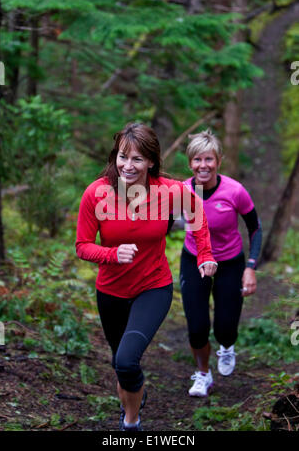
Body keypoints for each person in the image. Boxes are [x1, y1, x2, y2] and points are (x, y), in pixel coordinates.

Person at [75, 123, 217, 431]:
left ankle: (131, 423)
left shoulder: (170, 191)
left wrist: (205, 255)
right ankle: (135, 399)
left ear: (151, 161)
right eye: (123, 157)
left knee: (126, 362)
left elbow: (198, 216)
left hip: (153, 287)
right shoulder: (96, 193)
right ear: (115, 157)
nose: (128, 165)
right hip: (110, 291)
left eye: (137, 159)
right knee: (120, 365)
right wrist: (112, 254)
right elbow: (82, 246)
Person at [179, 129, 262, 397]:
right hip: (194, 259)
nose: (203, 166)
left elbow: (255, 228)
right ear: (190, 162)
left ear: (219, 161)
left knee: (225, 328)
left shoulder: (235, 191)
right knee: (197, 326)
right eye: (197, 160)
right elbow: (162, 223)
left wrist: (250, 267)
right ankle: (203, 374)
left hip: (229, 262)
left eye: (209, 159)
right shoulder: (181, 191)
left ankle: (226, 346)